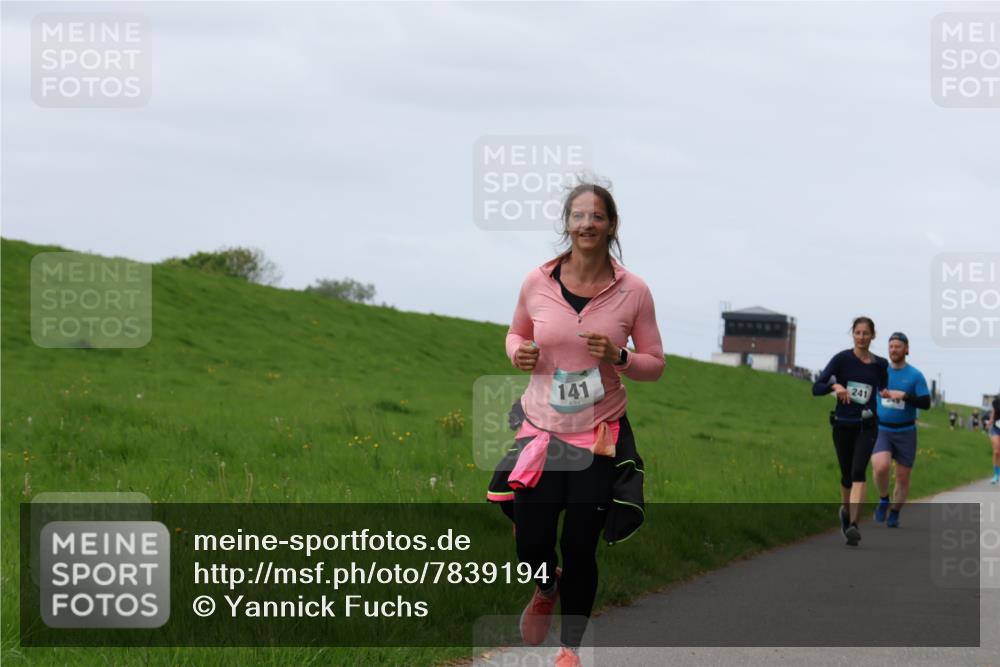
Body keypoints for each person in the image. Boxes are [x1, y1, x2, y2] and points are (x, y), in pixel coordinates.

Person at [488, 182, 664, 667]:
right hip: (541, 432)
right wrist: (517, 353)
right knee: (532, 540)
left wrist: (621, 356)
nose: (587, 224)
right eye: (579, 215)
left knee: (580, 544)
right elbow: (515, 332)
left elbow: (655, 363)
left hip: (597, 437)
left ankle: (570, 649)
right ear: (566, 223)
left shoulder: (634, 291)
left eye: (598, 216)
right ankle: (546, 585)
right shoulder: (537, 281)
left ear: (611, 225)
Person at [812, 317, 889, 546]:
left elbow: (882, 387)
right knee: (846, 476)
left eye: (866, 333)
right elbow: (816, 387)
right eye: (858, 333)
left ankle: (854, 524)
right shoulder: (841, 360)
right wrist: (835, 386)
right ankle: (846, 514)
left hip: (867, 426)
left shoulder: (880, 364)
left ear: (872, 336)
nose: (862, 337)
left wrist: (887, 394)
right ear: (852, 335)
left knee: (858, 472)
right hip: (843, 424)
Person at [871, 332, 931, 528]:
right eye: (891, 346)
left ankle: (895, 512)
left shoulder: (915, 375)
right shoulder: (880, 371)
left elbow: (926, 403)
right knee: (881, 466)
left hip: (906, 432)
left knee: (903, 477)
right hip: (882, 429)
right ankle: (883, 499)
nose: (893, 350)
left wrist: (904, 396)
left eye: (897, 346)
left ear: (906, 349)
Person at [990, 395, 1000, 485]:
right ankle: (996, 475)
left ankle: (998, 473)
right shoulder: (996, 402)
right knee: (996, 451)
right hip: (996, 428)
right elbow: (993, 412)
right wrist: (990, 420)